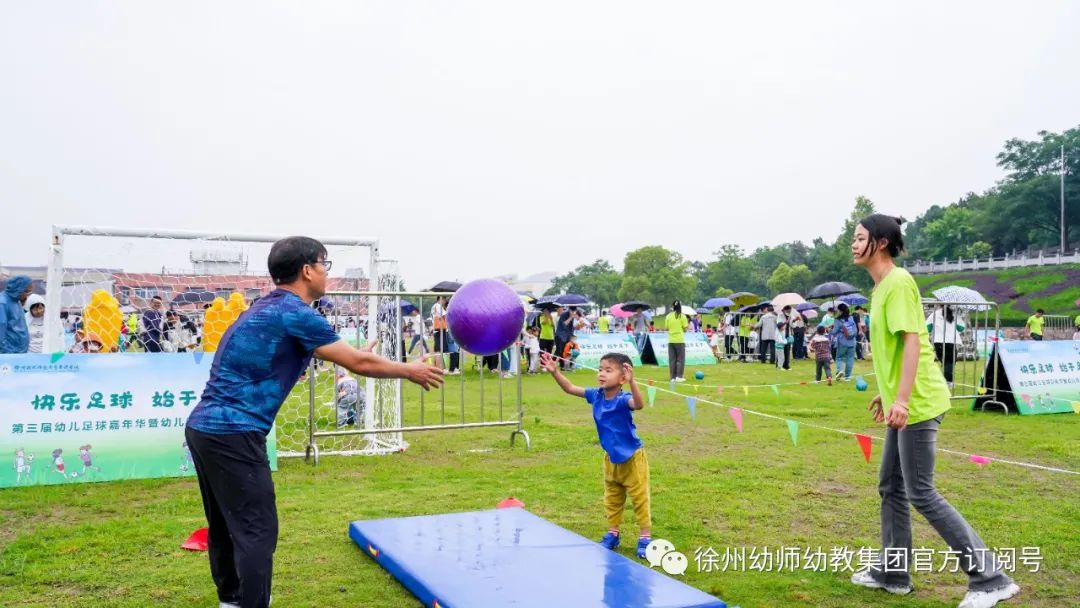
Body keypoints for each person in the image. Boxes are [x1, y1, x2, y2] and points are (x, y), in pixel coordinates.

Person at [184, 237, 443, 608]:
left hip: (206, 429)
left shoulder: (266, 309)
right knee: (256, 530)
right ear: (307, 270)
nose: (327, 273)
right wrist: (410, 370)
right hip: (233, 432)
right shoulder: (296, 312)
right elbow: (361, 365)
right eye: (325, 265)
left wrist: (353, 356)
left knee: (227, 525)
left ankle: (232, 599)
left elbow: (314, 359)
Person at [848, 214, 1019, 608]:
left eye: (859, 238)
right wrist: (886, 393)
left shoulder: (900, 282)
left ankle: (990, 578)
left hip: (920, 403)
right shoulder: (881, 288)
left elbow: (912, 343)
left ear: (882, 243)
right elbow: (895, 351)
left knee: (920, 491)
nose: (854, 245)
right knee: (891, 486)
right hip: (905, 402)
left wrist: (904, 399)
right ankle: (893, 573)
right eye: (853, 239)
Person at [539, 351, 652, 559]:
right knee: (612, 498)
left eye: (608, 370)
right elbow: (570, 388)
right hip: (610, 459)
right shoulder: (596, 395)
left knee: (639, 499)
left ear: (622, 378)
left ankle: (645, 537)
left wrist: (633, 382)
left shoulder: (622, 399)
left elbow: (639, 404)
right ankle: (613, 533)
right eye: (600, 369)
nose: (601, 373)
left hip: (633, 459)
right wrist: (555, 372)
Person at [927, 304, 964, 389]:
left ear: (939, 305)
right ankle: (948, 382)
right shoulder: (954, 314)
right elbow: (961, 328)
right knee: (950, 362)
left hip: (938, 342)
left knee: (946, 362)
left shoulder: (934, 314)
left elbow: (927, 328)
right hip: (951, 342)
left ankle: (945, 381)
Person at [0, 276, 33, 354]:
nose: (28, 295)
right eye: (27, 291)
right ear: (18, 289)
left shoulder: (16, 300)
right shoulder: (2, 303)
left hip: (19, 352)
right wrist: (8, 351)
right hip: (10, 354)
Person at [664, 300, 689, 382]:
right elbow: (685, 329)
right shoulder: (682, 316)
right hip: (679, 340)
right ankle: (679, 376)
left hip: (671, 340)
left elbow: (667, 328)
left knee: (672, 360)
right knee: (680, 359)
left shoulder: (668, 316)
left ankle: (672, 377)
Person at [831, 303, 857, 381]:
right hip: (852, 341)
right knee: (850, 358)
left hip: (842, 341)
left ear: (840, 311)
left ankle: (839, 371)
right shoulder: (851, 318)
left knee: (839, 357)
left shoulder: (838, 320)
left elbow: (834, 332)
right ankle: (848, 377)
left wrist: (831, 329)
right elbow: (855, 329)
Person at [430, 295, 449, 368]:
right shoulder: (438, 306)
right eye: (444, 300)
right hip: (439, 329)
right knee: (440, 349)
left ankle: (438, 366)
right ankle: (439, 367)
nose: (445, 302)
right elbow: (445, 315)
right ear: (440, 299)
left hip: (437, 329)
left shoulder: (434, 306)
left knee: (437, 349)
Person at [554, 306, 575, 371]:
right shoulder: (564, 314)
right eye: (572, 310)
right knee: (561, 351)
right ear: (569, 309)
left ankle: (570, 366)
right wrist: (571, 317)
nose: (573, 312)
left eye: (574, 311)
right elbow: (564, 324)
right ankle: (562, 366)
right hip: (560, 336)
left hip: (568, 335)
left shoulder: (573, 315)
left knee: (570, 351)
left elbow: (573, 326)